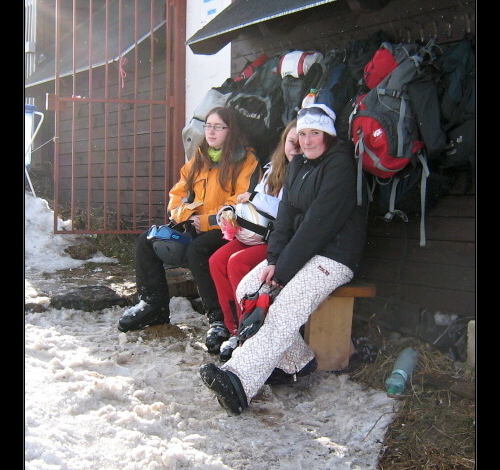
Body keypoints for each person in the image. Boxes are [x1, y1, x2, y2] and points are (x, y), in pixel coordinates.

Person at [199, 104, 368, 414]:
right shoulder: (299, 165)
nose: (307, 141)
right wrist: (274, 260)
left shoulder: (340, 166)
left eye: (315, 133)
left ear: (328, 135)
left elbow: (318, 226)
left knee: (282, 308)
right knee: (247, 289)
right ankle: (297, 363)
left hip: (334, 256)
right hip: (300, 252)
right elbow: (285, 221)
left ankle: (239, 381)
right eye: (302, 134)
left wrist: (281, 272)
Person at [118, 106, 262, 355]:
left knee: (198, 250)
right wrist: (184, 215)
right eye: (208, 126)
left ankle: (218, 321)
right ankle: (153, 306)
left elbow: (239, 204)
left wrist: (206, 221)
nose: (211, 132)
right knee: (147, 241)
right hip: (193, 224)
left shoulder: (246, 161)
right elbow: (178, 194)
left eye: (218, 127)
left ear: (231, 130)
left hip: (227, 230)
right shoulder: (199, 158)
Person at [208, 119, 301, 362]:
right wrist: (233, 213)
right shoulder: (274, 167)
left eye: (300, 143)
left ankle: (247, 329)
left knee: (237, 262)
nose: (295, 148)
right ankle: (232, 328)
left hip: (281, 239)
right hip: (259, 233)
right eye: (291, 141)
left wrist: (255, 198)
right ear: (283, 142)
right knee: (217, 260)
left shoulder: (305, 172)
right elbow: (255, 203)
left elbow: (289, 211)